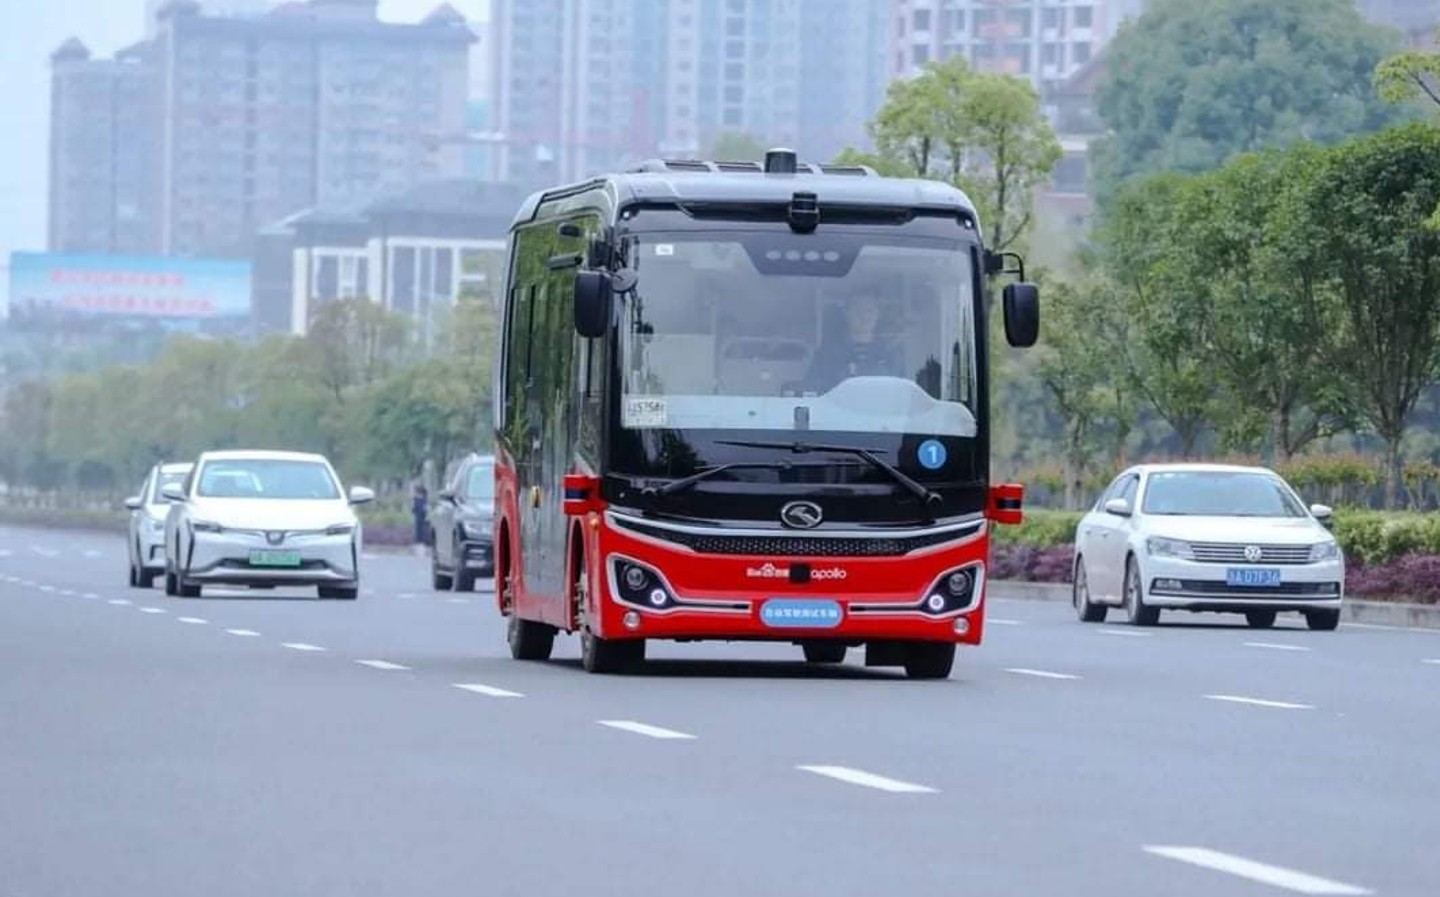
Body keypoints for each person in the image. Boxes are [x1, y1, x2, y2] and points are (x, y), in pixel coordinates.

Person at [803, 288, 906, 391]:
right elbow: (813, 389)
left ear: (877, 314)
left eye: (869, 310)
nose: (864, 316)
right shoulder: (827, 353)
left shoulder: (890, 354)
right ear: (846, 313)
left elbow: (901, 393)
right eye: (858, 310)